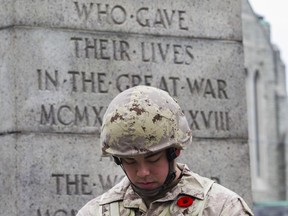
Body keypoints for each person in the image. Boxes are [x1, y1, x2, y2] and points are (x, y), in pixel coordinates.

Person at [77, 85, 254, 216]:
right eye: (130, 161)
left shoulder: (221, 208)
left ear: (174, 151)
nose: (143, 172)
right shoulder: (95, 212)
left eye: (152, 158)